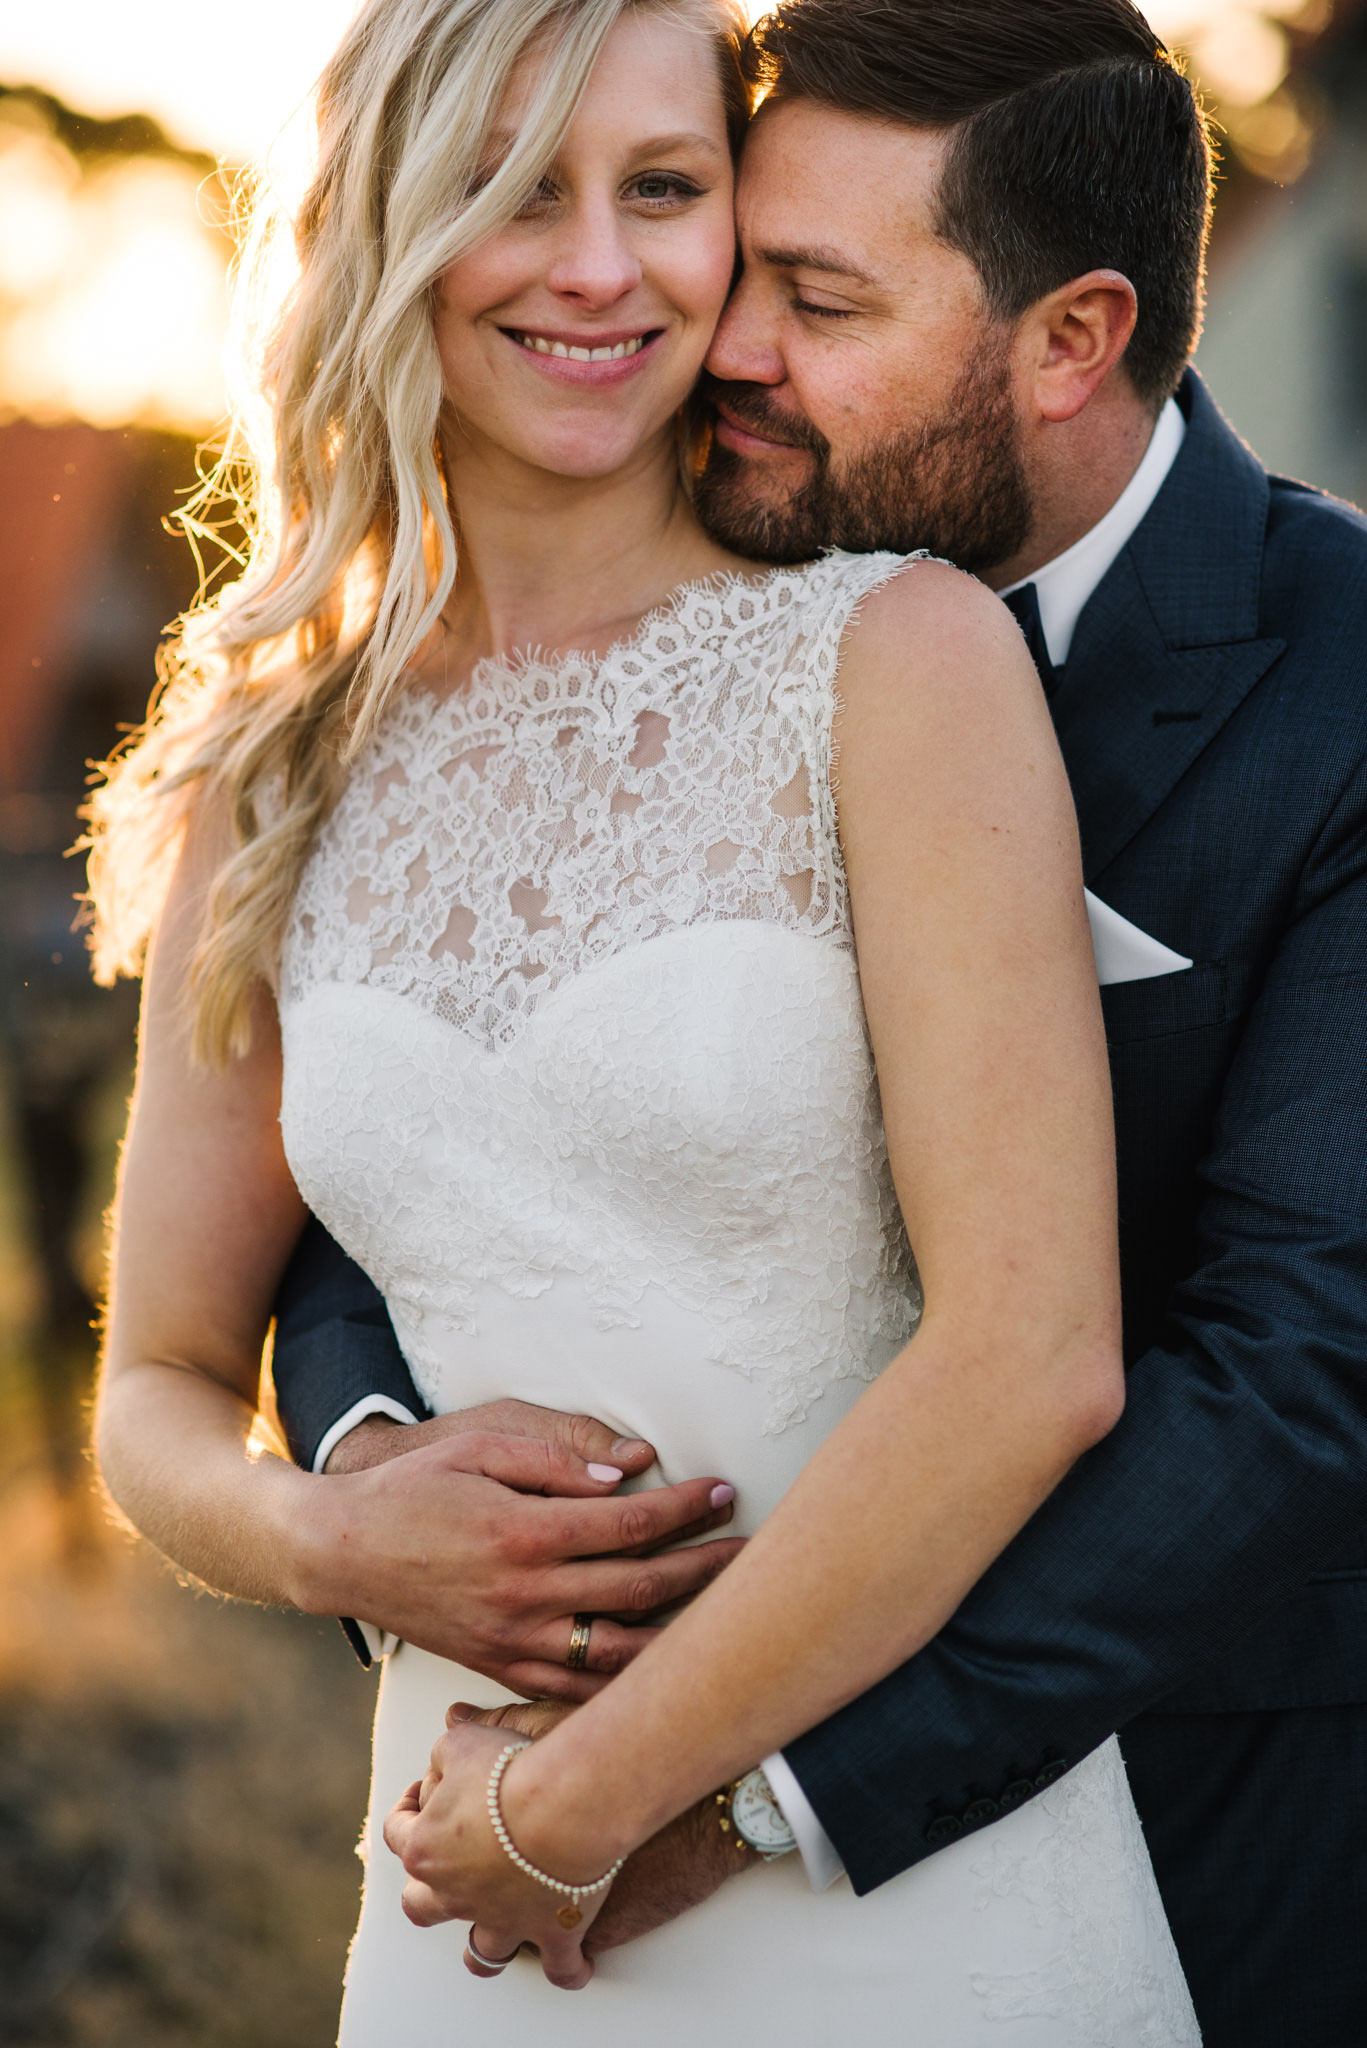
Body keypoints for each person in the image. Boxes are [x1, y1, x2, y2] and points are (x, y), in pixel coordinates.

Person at [84, 0, 1201, 2040]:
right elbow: (153, 1387)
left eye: (666, 189)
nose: (600, 264)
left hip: (889, 1897)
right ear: (390, 227)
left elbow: (1032, 1355)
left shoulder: (895, 659)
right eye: (517, 189)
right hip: (462, 1909)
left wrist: (584, 1800)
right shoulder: (271, 771)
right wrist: (334, 1531)